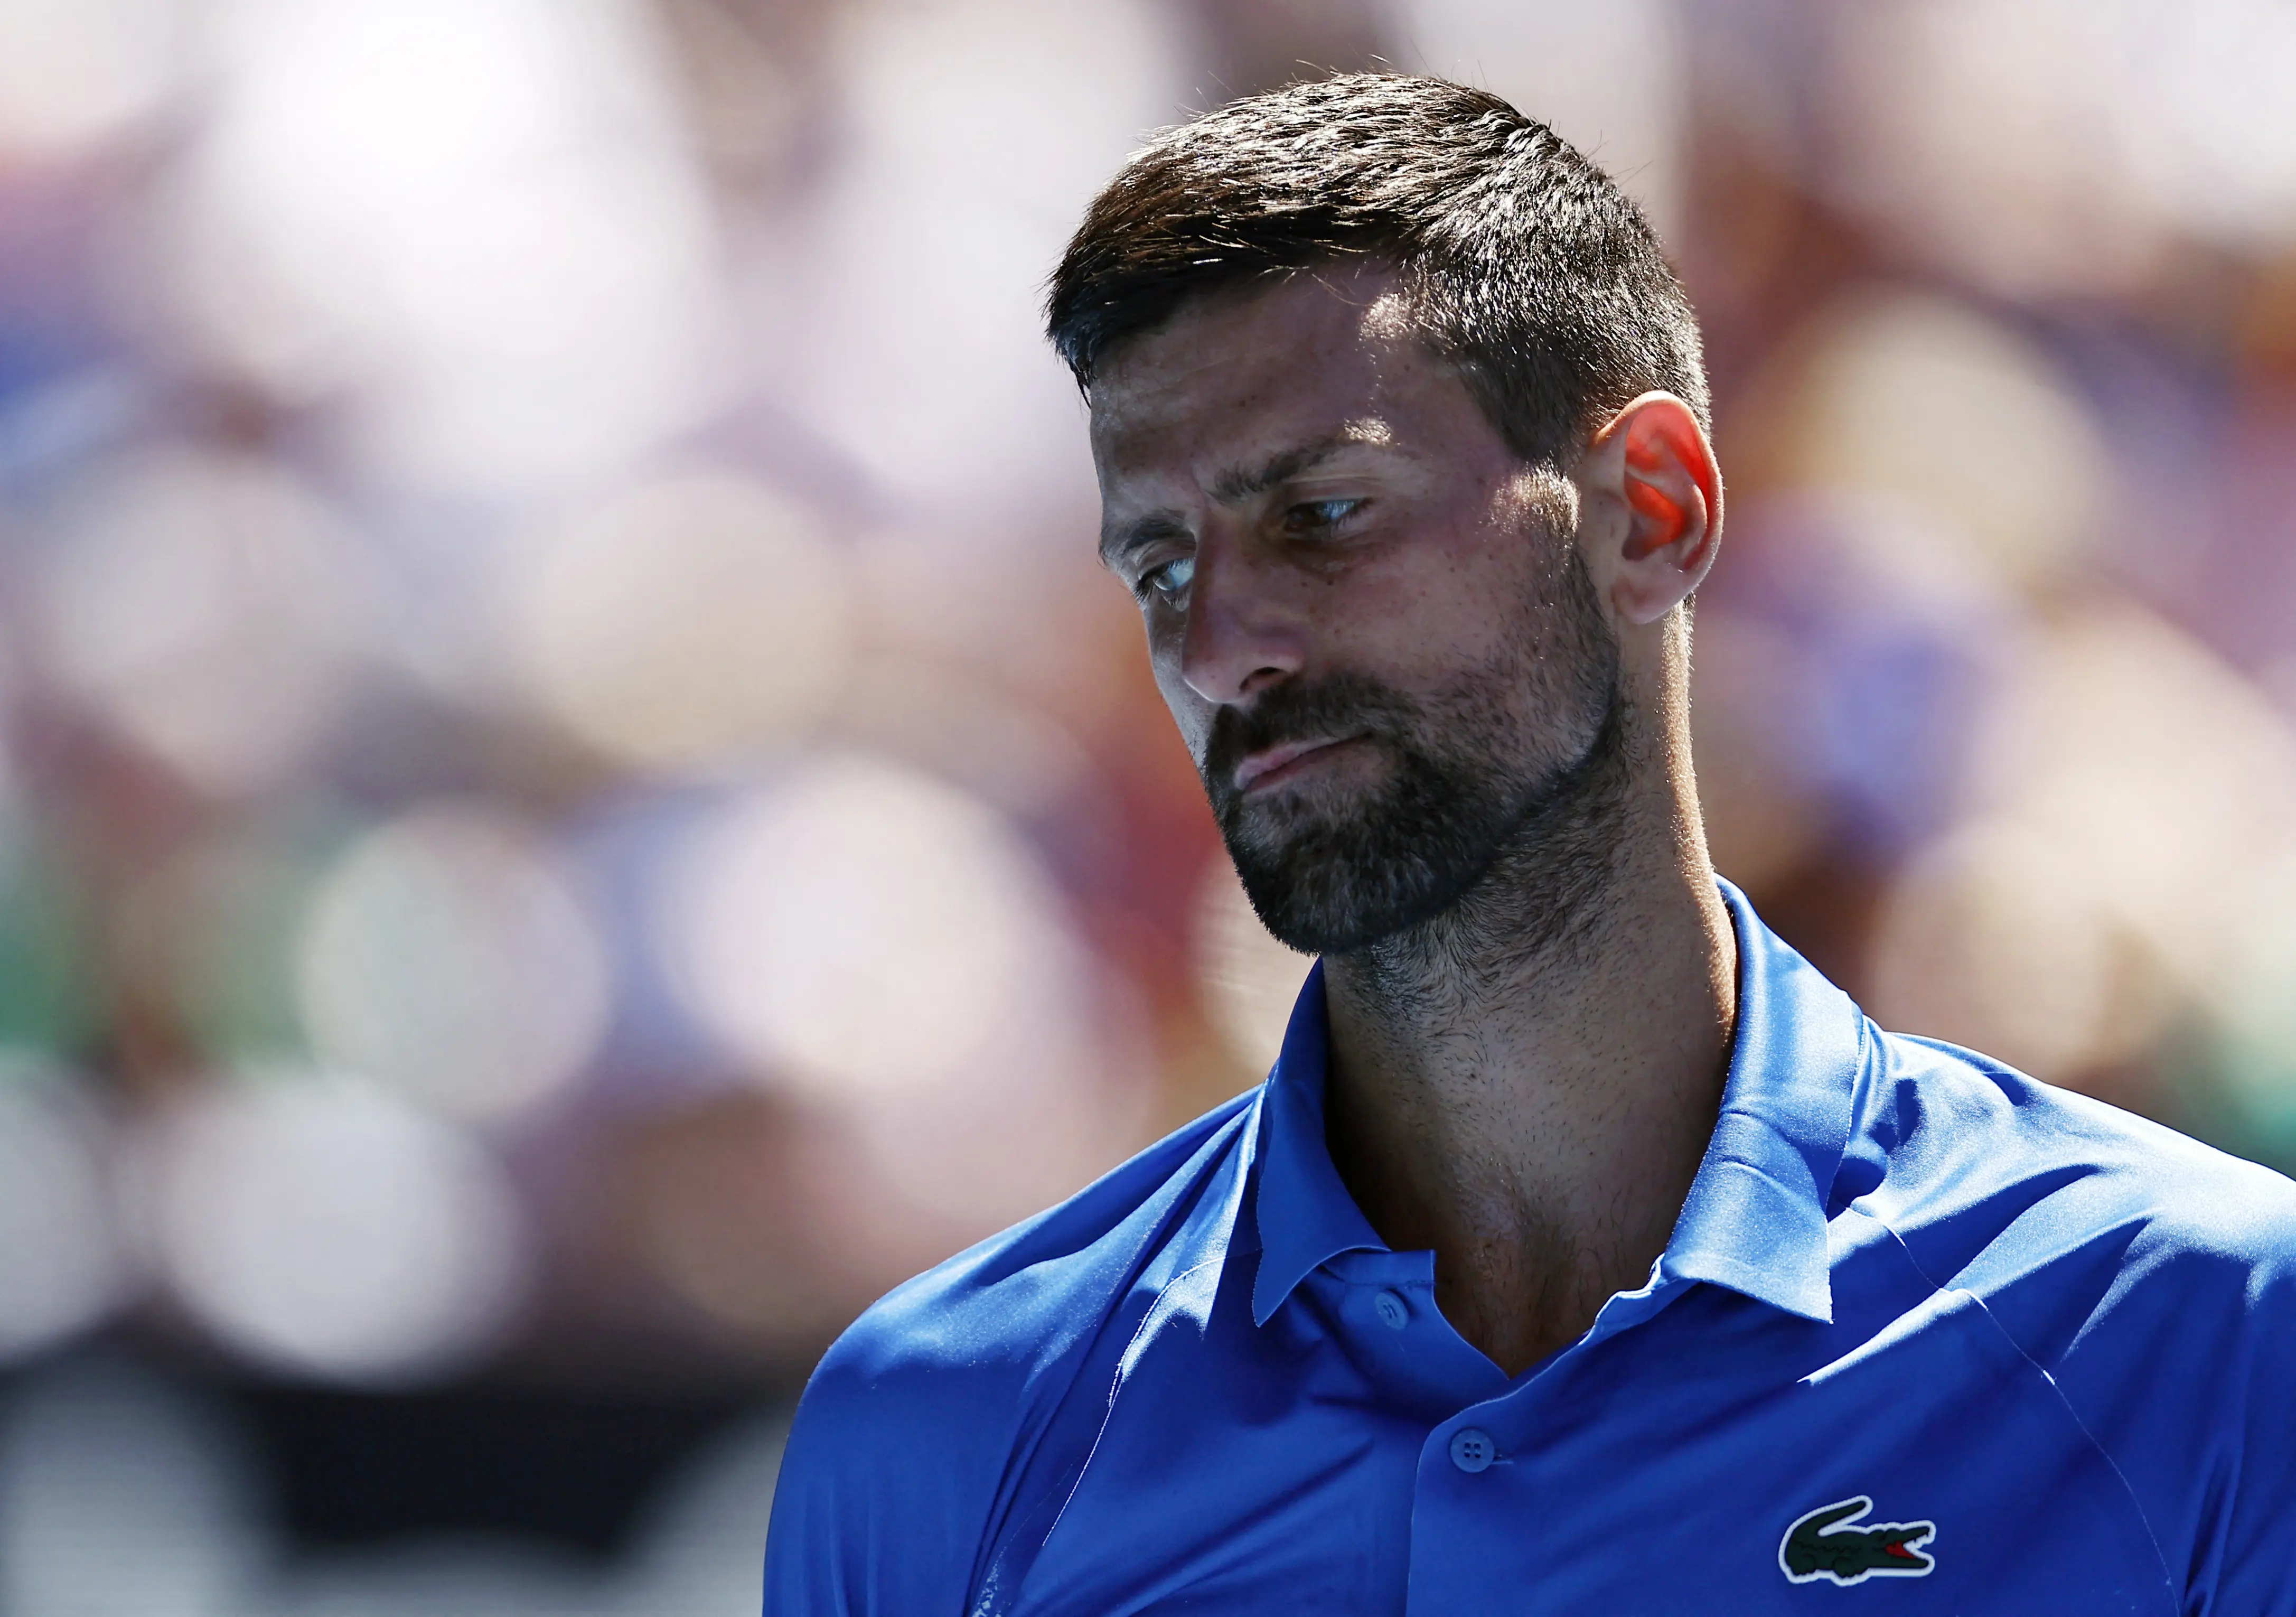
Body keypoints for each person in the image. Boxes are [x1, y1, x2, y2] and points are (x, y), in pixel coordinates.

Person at [762, 74, 2296, 1613]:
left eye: (1323, 513)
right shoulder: (944, 1430)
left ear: (1652, 510)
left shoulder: (2208, 1335)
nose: (1220, 648)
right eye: (1161, 567)